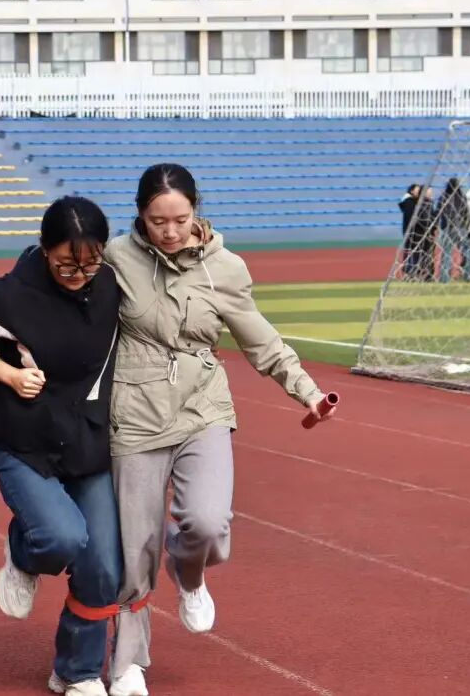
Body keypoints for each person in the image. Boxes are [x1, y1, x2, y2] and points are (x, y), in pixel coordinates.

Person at [104, 164, 336, 696]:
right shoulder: (116, 258)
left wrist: (305, 390)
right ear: (139, 215)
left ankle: (189, 574)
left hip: (202, 407)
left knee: (207, 524)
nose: (170, 231)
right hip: (134, 413)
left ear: (196, 211)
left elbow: (260, 339)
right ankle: (128, 662)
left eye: (180, 219)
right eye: (157, 221)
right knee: (134, 546)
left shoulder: (225, 268)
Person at [0, 197, 123, 696]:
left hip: (87, 440)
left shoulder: (112, 284)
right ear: (45, 250)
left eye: (90, 264)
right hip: (24, 438)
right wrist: (6, 374)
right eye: (66, 264)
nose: (79, 275)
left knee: (103, 564)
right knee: (61, 539)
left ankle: (77, 671)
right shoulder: (10, 294)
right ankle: (24, 550)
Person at [436, 177, 470, 283]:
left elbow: (438, 212)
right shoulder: (462, 197)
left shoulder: (443, 197)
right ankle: (468, 275)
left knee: (446, 253)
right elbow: (466, 213)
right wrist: (466, 226)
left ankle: (444, 278)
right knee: (466, 251)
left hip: (448, 228)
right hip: (461, 228)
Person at [398, 184, 422, 279]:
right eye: (417, 189)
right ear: (411, 191)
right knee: (411, 252)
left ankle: (410, 272)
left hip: (410, 231)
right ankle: (409, 273)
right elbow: (410, 218)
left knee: (411, 252)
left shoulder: (411, 202)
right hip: (412, 231)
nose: (419, 191)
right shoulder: (409, 202)